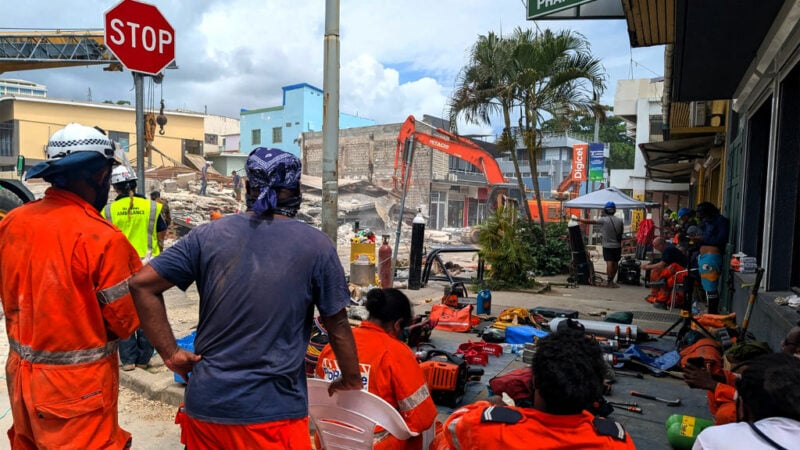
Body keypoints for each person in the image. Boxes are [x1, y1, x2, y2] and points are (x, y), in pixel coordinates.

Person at [129, 147, 362, 449]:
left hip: (207, 407)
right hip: (273, 415)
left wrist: (171, 354)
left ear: (249, 187)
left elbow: (142, 285)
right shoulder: (316, 245)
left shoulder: (207, 236)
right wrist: (351, 377)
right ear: (295, 189)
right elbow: (338, 323)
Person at [0, 123, 141, 449]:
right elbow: (126, 322)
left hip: (22, 381)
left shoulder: (12, 222)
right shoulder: (103, 238)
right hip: (76, 395)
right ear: (99, 175)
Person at [433, 328, 636, 449]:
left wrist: (487, 405)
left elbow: (453, 426)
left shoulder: (487, 428)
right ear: (595, 391)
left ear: (534, 381)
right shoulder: (616, 441)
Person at [315, 288, 438, 450]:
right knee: (421, 431)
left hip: (328, 439)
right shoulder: (396, 352)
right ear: (397, 324)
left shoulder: (334, 346)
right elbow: (422, 418)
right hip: (374, 445)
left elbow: (319, 394)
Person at [102, 166, 168, 371]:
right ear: (135, 183)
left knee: (123, 312)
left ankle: (128, 360)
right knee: (148, 312)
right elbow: (161, 233)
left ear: (114, 187)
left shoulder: (107, 211)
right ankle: (144, 358)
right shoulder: (152, 207)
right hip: (149, 267)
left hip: (119, 269)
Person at [692, 353, 800, 449]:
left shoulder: (711, 441)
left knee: (726, 412)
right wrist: (723, 377)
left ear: (742, 409)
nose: (782, 344)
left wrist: (714, 386)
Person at [692, 202, 729, 314]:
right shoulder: (707, 222)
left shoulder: (721, 221)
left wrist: (702, 239)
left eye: (702, 214)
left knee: (710, 286)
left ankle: (712, 314)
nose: (701, 217)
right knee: (704, 285)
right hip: (703, 256)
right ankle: (708, 311)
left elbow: (720, 240)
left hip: (711, 257)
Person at [578, 201, 624, 287]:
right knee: (616, 262)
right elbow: (621, 232)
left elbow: (590, 221)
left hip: (607, 245)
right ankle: (612, 281)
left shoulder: (604, 220)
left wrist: (578, 219)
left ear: (606, 210)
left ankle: (609, 281)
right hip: (617, 245)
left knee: (609, 262)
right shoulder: (620, 221)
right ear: (614, 210)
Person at [642, 237, 688, 308]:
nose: (655, 248)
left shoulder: (667, 249)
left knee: (663, 278)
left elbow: (661, 264)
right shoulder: (669, 248)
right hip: (680, 272)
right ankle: (656, 294)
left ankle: (660, 298)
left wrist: (647, 267)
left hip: (682, 273)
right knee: (657, 272)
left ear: (661, 245)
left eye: (655, 246)